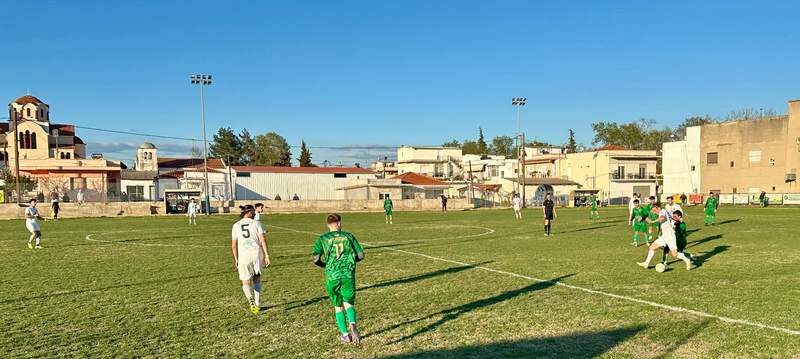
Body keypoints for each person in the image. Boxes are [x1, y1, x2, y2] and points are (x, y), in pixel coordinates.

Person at [312, 213, 365, 344]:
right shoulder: (348, 236)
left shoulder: (323, 238)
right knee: (348, 302)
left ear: (328, 224)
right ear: (339, 223)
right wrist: (351, 262)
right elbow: (361, 255)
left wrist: (325, 265)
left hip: (332, 275)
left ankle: (346, 335)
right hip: (347, 274)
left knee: (338, 306)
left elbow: (316, 259)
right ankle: (352, 323)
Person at [231, 205, 271, 314]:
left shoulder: (236, 225)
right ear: (248, 212)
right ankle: (257, 304)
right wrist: (267, 255)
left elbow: (234, 245)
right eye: (253, 212)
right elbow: (262, 240)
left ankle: (251, 301)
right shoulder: (256, 223)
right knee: (257, 279)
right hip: (256, 254)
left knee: (245, 281)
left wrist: (236, 259)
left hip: (243, 256)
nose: (254, 214)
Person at [638, 203, 694, 271]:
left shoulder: (662, 212)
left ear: (658, 208)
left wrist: (652, 221)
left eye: (654, 210)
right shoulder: (665, 211)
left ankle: (687, 260)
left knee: (675, 254)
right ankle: (646, 263)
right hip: (664, 236)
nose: (654, 211)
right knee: (651, 247)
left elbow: (662, 218)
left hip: (670, 236)